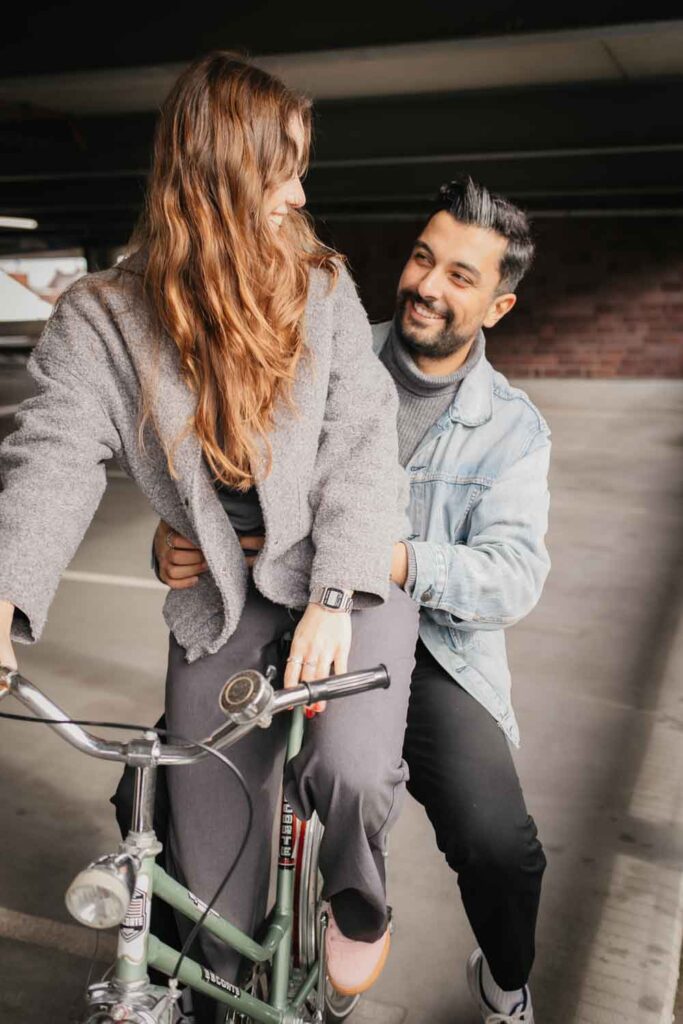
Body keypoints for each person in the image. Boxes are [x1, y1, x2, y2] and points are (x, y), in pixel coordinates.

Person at [0, 53, 421, 1022]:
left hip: (341, 581)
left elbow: (362, 451)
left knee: (346, 770)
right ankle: (228, 992)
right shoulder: (105, 319)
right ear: (217, 177)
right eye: (281, 170)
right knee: (202, 852)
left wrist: (333, 597)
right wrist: (7, 598)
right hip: (218, 598)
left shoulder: (321, 289)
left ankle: (357, 897)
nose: (300, 192)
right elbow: (55, 457)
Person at [150, 177, 551, 1024]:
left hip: (432, 650)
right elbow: (229, 475)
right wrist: (178, 538)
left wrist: (391, 556)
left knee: (498, 842)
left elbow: (512, 574)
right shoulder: (316, 347)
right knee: (153, 788)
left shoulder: (512, 428)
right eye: (421, 258)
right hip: (289, 605)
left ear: (498, 305)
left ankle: (505, 981)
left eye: (460, 277)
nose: (428, 287)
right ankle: (197, 980)